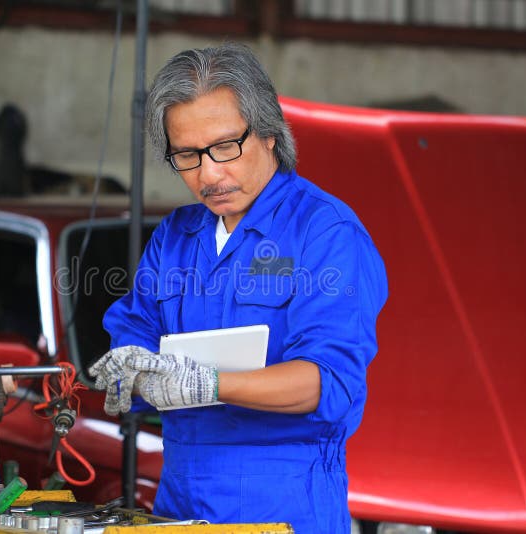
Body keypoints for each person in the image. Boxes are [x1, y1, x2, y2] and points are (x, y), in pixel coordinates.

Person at [89, 43, 387, 533]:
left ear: (269, 133)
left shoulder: (325, 233)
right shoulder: (176, 238)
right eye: (186, 155)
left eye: (225, 147)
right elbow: (132, 335)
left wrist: (206, 383)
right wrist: (134, 372)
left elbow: (329, 379)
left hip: (285, 506)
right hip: (179, 500)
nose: (209, 174)